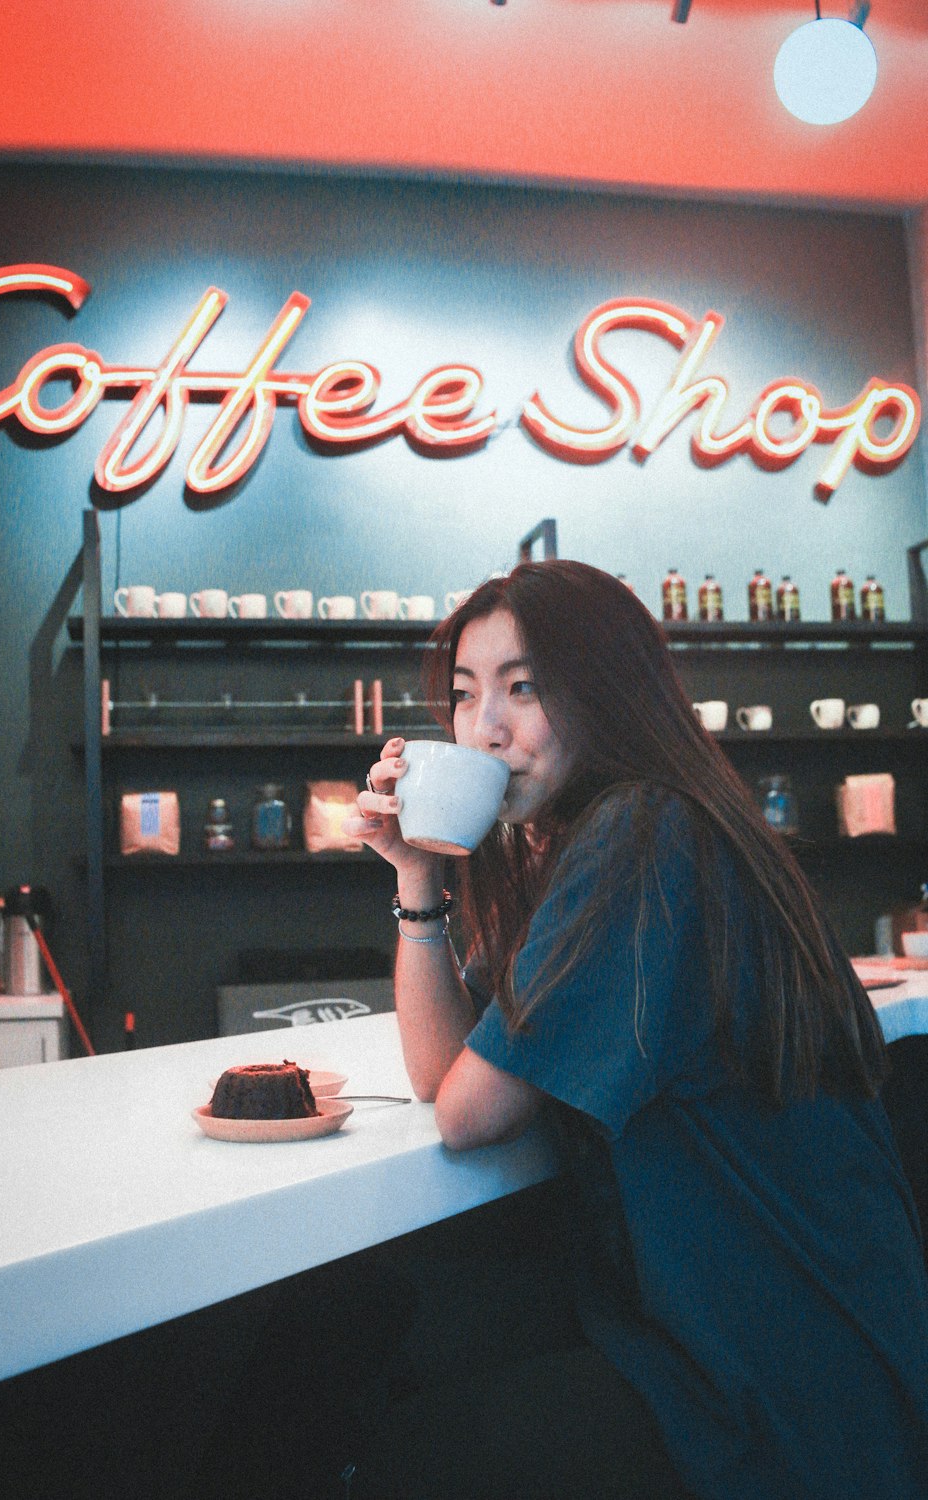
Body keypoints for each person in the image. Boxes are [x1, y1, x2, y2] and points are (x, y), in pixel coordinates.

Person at [345, 560, 928, 1500]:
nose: (483, 728)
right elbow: (448, 1071)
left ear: (606, 693)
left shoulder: (645, 833)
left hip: (772, 1363)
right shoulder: (602, 840)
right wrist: (418, 882)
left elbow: (466, 1113)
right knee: (412, 1346)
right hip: (746, 1314)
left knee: (412, 1427)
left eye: (523, 688)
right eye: (462, 696)